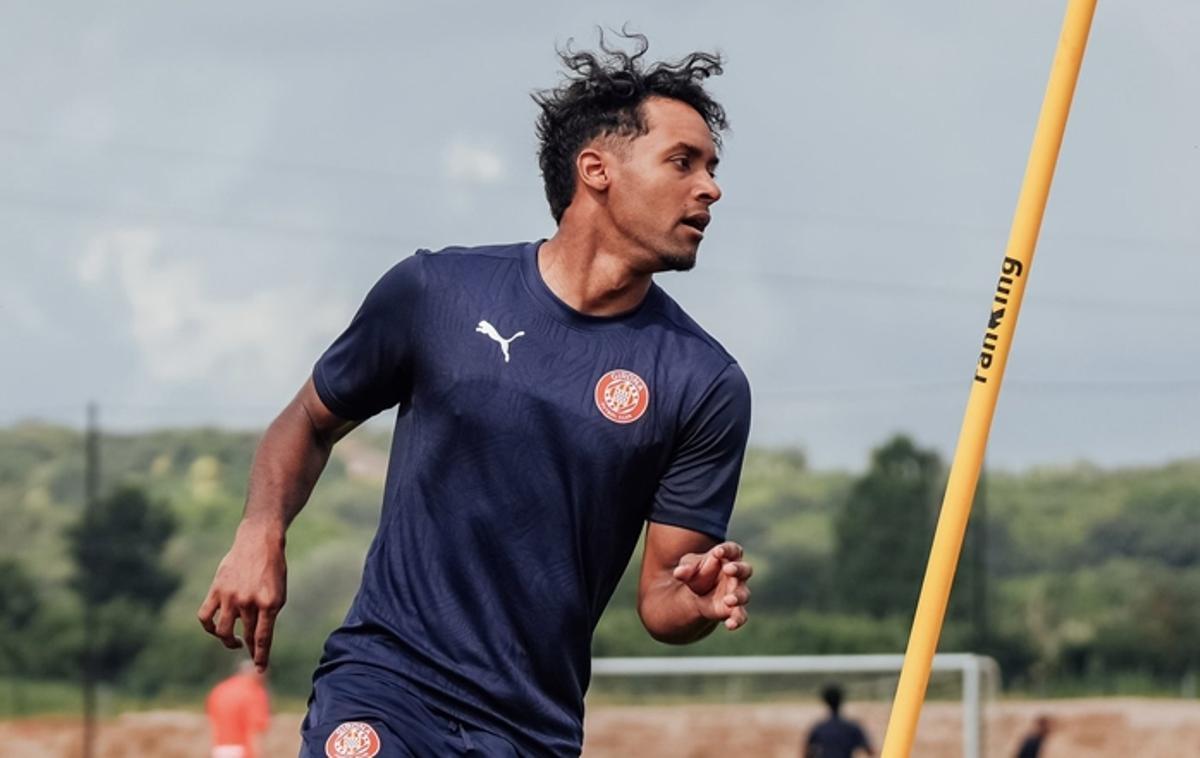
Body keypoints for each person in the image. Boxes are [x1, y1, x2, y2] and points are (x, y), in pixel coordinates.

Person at [197, 31, 753, 757]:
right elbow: (308, 419)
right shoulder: (439, 291)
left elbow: (662, 601)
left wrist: (700, 600)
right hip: (384, 682)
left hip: (528, 727)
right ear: (597, 170)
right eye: (683, 162)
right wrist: (259, 531)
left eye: (711, 167)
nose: (710, 186)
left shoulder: (704, 382)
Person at [205, 659, 270, 758]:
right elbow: (255, 732)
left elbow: (211, 725)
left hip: (219, 750)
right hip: (244, 752)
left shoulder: (219, 690)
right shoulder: (254, 692)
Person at [804, 684, 873, 758]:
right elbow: (869, 751)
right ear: (841, 700)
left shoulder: (819, 728)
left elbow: (807, 754)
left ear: (826, 701)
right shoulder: (853, 727)